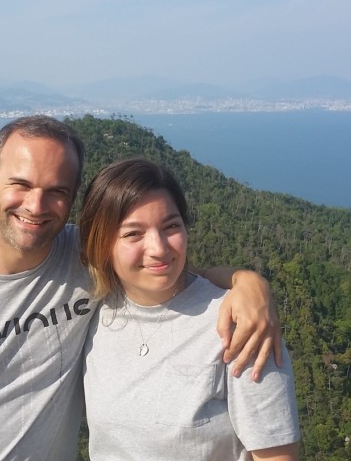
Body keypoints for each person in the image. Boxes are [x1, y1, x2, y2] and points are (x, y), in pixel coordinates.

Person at [0, 116, 281, 461]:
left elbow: (166, 268)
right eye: (21, 184)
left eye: (56, 191)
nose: (35, 206)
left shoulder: (84, 254)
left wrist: (248, 283)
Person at [79, 158, 300, 460]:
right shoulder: (92, 310)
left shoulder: (238, 323)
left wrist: (248, 281)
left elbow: (276, 456)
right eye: (133, 233)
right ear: (101, 244)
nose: (158, 248)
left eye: (171, 226)